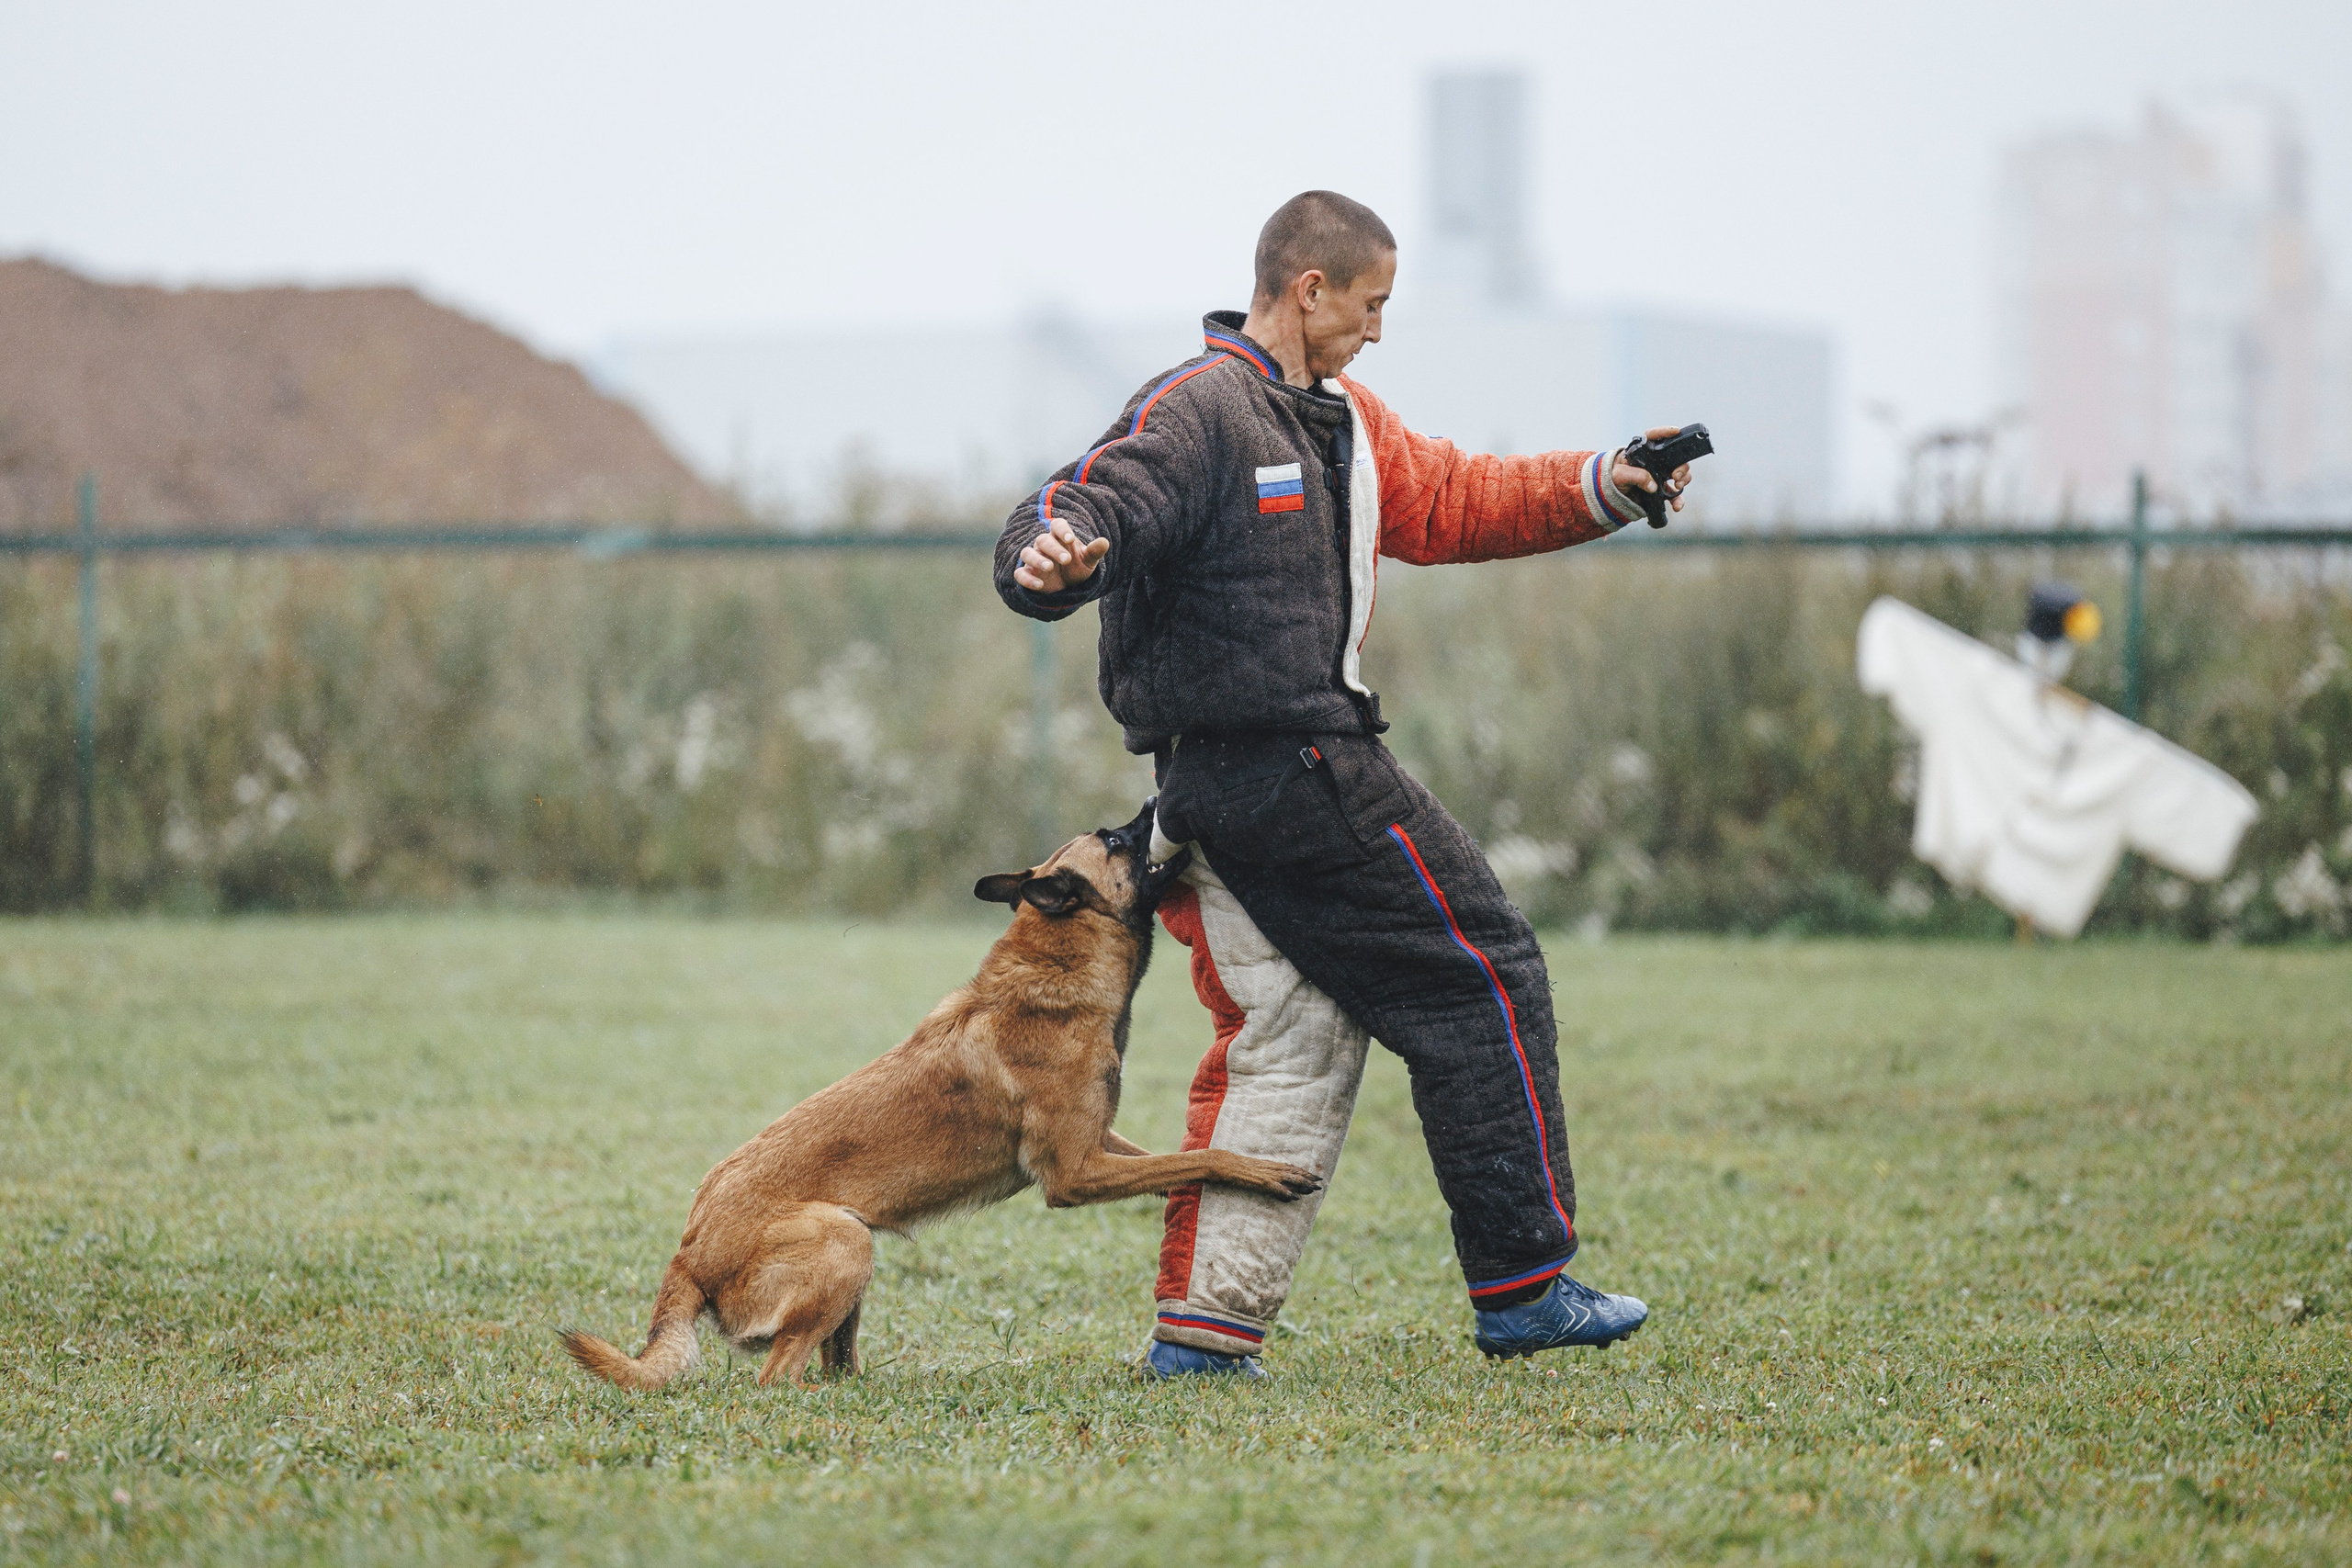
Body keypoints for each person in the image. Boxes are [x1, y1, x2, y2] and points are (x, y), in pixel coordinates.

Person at [992, 189, 1693, 1376]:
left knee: (1292, 1034)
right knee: (1483, 974)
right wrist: (1048, 554)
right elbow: (1088, 500)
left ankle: (1204, 1337)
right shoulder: (1201, 407)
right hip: (1295, 770)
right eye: (1371, 304)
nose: (1378, 328)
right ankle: (1524, 1286)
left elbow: (1459, 499)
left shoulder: (1348, 420)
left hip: (1222, 788)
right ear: (1308, 288)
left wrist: (1612, 481)